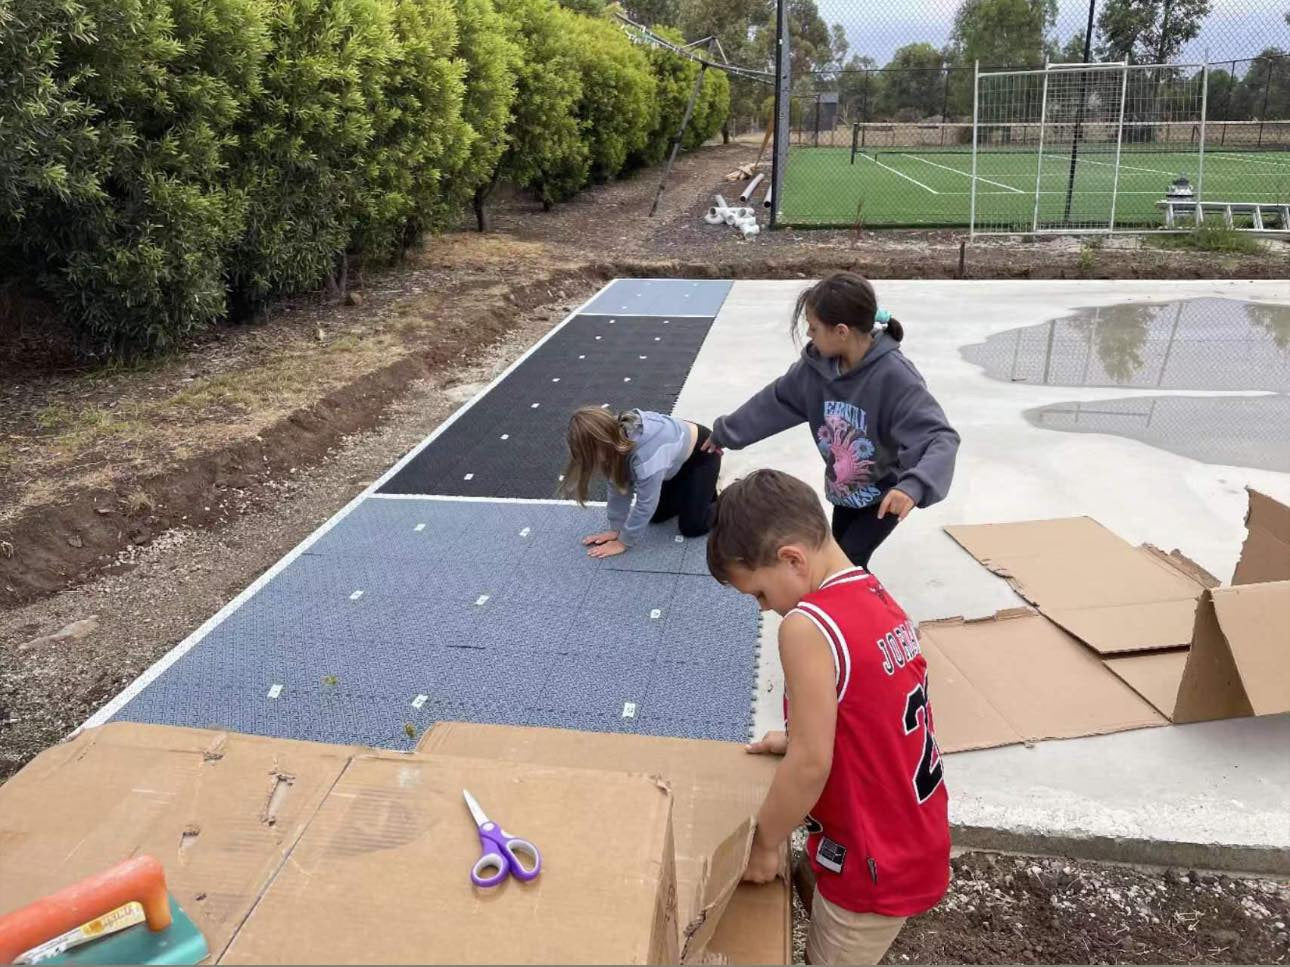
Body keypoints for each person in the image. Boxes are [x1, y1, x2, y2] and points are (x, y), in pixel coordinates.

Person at [706, 469, 950, 965]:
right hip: (912, 834)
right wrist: (799, 734)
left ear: (792, 559)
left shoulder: (806, 626)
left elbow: (811, 765)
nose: (764, 609)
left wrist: (765, 843)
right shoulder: (871, 590)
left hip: (871, 858)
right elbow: (864, 701)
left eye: (759, 594)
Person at [703, 272, 959, 568]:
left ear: (841, 331)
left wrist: (913, 486)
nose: (809, 335)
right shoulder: (815, 369)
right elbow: (775, 401)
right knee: (841, 564)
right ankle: (857, 608)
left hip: (884, 495)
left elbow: (939, 438)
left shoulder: (895, 377)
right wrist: (726, 432)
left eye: (813, 328)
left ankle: (866, 613)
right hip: (843, 492)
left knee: (844, 566)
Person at [561, 406, 720, 558]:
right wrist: (616, 528)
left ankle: (724, 502)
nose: (591, 463)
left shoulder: (646, 456)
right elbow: (618, 487)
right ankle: (698, 491)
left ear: (603, 444)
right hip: (674, 460)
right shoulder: (612, 439)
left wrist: (623, 542)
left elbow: (646, 504)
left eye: (590, 457)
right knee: (657, 516)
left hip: (703, 453)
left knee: (691, 526)